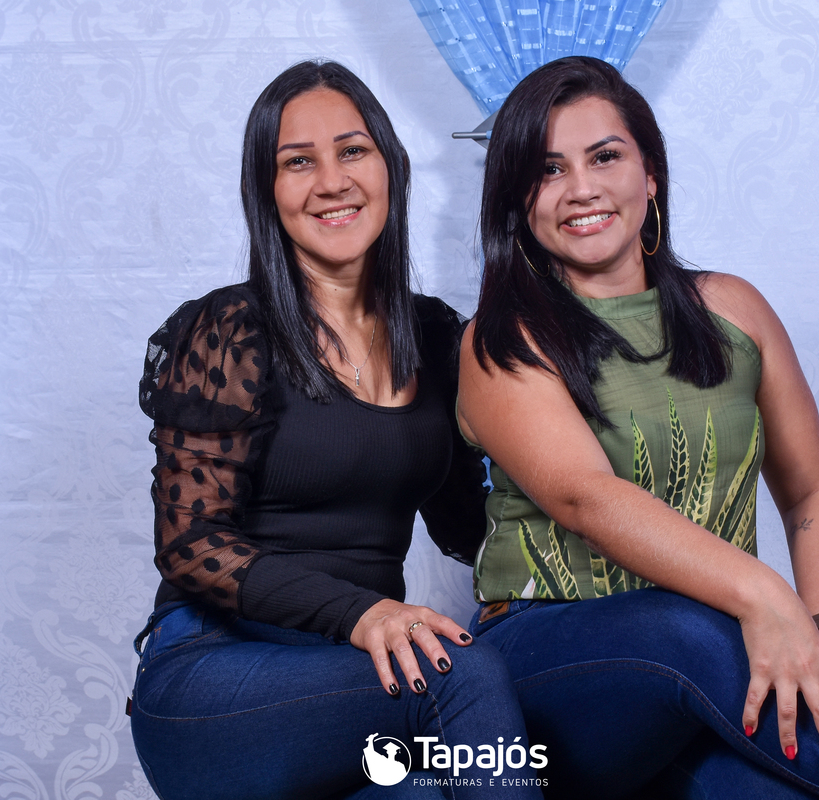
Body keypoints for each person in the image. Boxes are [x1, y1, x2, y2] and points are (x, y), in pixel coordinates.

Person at [457, 56, 819, 800]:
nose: (581, 188)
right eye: (548, 170)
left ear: (650, 175)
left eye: (605, 157)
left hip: (711, 668)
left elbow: (811, 488)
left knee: (757, 782)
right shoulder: (501, 341)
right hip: (552, 669)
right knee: (689, 626)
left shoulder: (733, 309)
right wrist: (765, 597)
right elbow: (585, 498)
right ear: (519, 197)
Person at [128, 60, 542, 800]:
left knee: (433, 790)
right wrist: (363, 612)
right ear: (266, 190)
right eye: (298, 162)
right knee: (460, 671)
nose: (331, 181)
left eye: (352, 150)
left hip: (358, 679)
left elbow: (470, 525)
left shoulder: (434, 336)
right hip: (216, 674)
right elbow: (190, 543)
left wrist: (576, 577)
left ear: (391, 166)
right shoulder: (230, 329)